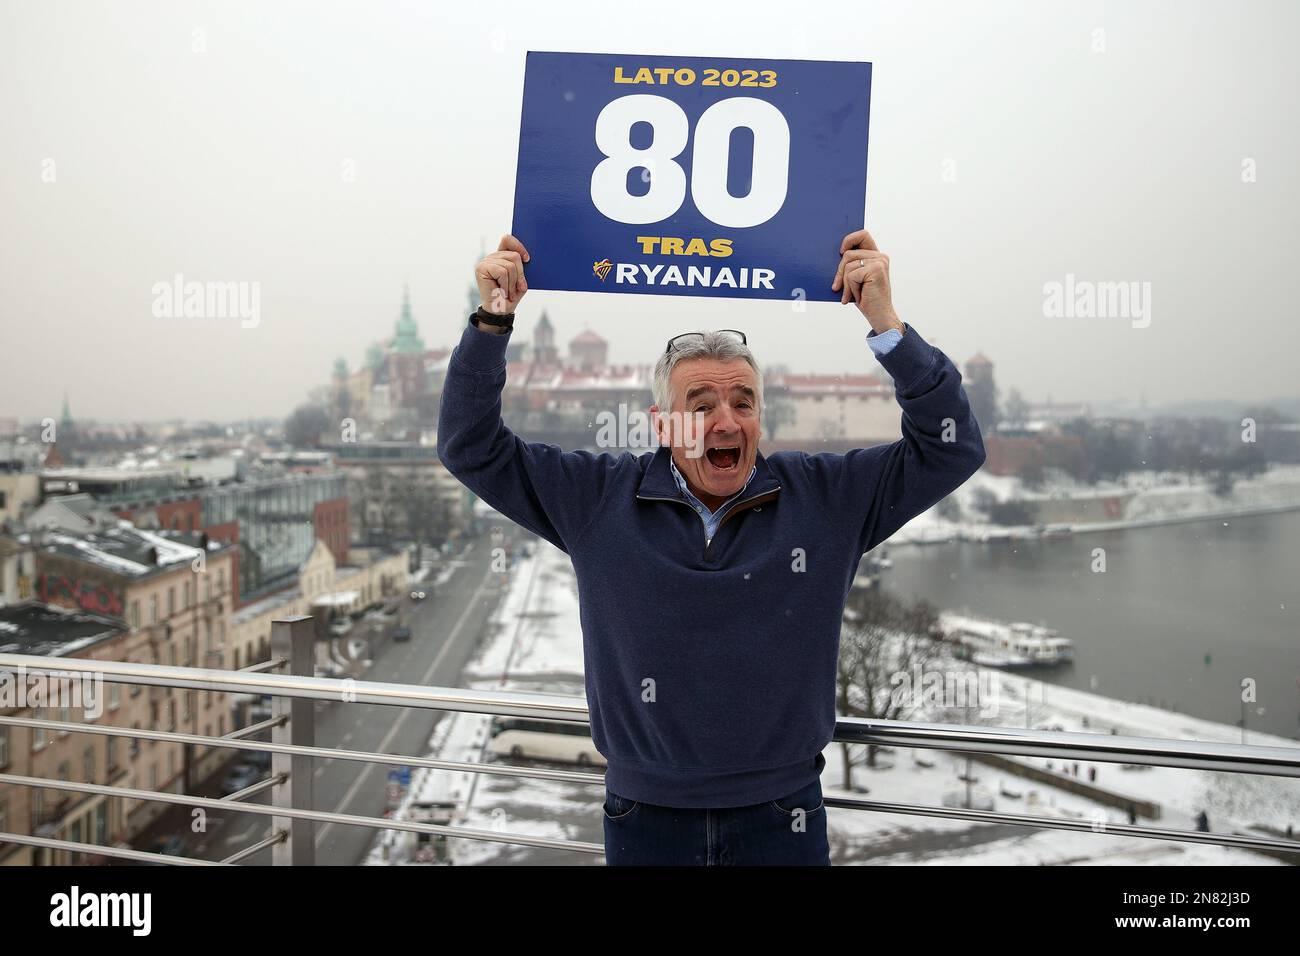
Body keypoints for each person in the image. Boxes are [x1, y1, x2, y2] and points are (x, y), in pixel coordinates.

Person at [438, 229, 986, 865]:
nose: (726, 422)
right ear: (662, 423)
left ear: (761, 416)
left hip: (783, 817)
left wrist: (885, 323)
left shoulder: (826, 499)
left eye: (743, 401)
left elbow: (952, 447)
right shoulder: (597, 498)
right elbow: (469, 447)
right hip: (646, 818)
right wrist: (492, 320)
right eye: (700, 405)